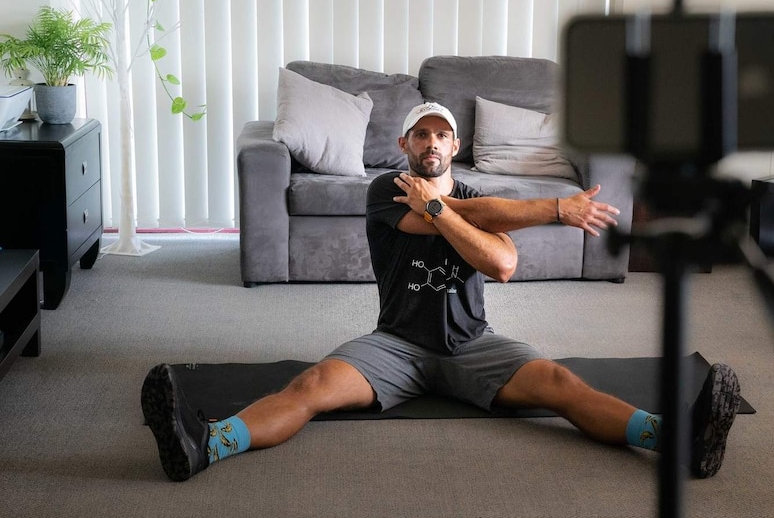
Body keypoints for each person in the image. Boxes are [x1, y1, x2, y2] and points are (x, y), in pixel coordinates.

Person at [141, 102, 741, 482]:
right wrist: (548, 209)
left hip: (473, 344)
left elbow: (502, 265)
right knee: (312, 386)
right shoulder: (384, 190)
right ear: (404, 146)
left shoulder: (478, 201)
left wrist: (444, 211)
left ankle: (677, 441)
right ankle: (207, 444)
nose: (431, 143)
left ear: (455, 148)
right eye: (420, 134)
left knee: (562, 385)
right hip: (394, 345)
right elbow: (462, 226)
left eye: (442, 135)